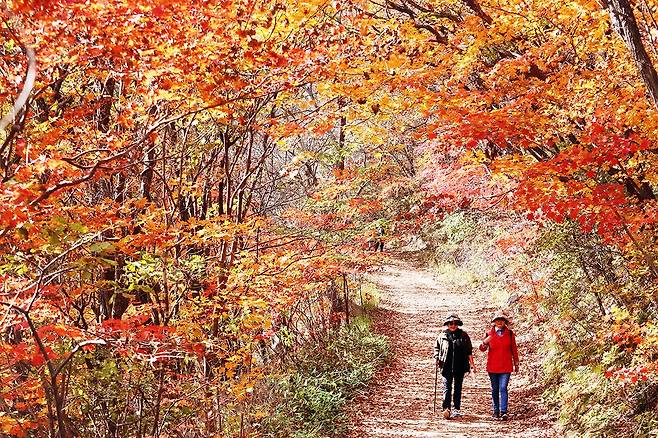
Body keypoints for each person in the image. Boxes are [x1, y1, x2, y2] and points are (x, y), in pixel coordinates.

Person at [434, 313, 476, 419]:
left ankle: (456, 409)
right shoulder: (442, 335)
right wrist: (436, 357)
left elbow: (469, 351)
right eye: (450, 323)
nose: (453, 325)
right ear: (447, 324)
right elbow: (437, 348)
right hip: (446, 366)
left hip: (460, 366)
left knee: (458, 388)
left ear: (458, 324)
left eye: (455, 323)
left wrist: (472, 365)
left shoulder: (463, 335)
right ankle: (446, 408)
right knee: (447, 387)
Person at [479, 312, 519, 421]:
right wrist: (484, 342)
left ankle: (504, 411)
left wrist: (516, 363)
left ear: (505, 322)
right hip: (493, 366)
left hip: (506, 366)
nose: (499, 322)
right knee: (495, 389)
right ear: (494, 322)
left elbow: (514, 349)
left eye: (501, 320)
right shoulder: (489, 333)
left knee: (503, 387)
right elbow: (482, 349)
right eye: (497, 320)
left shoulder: (510, 334)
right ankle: (496, 411)